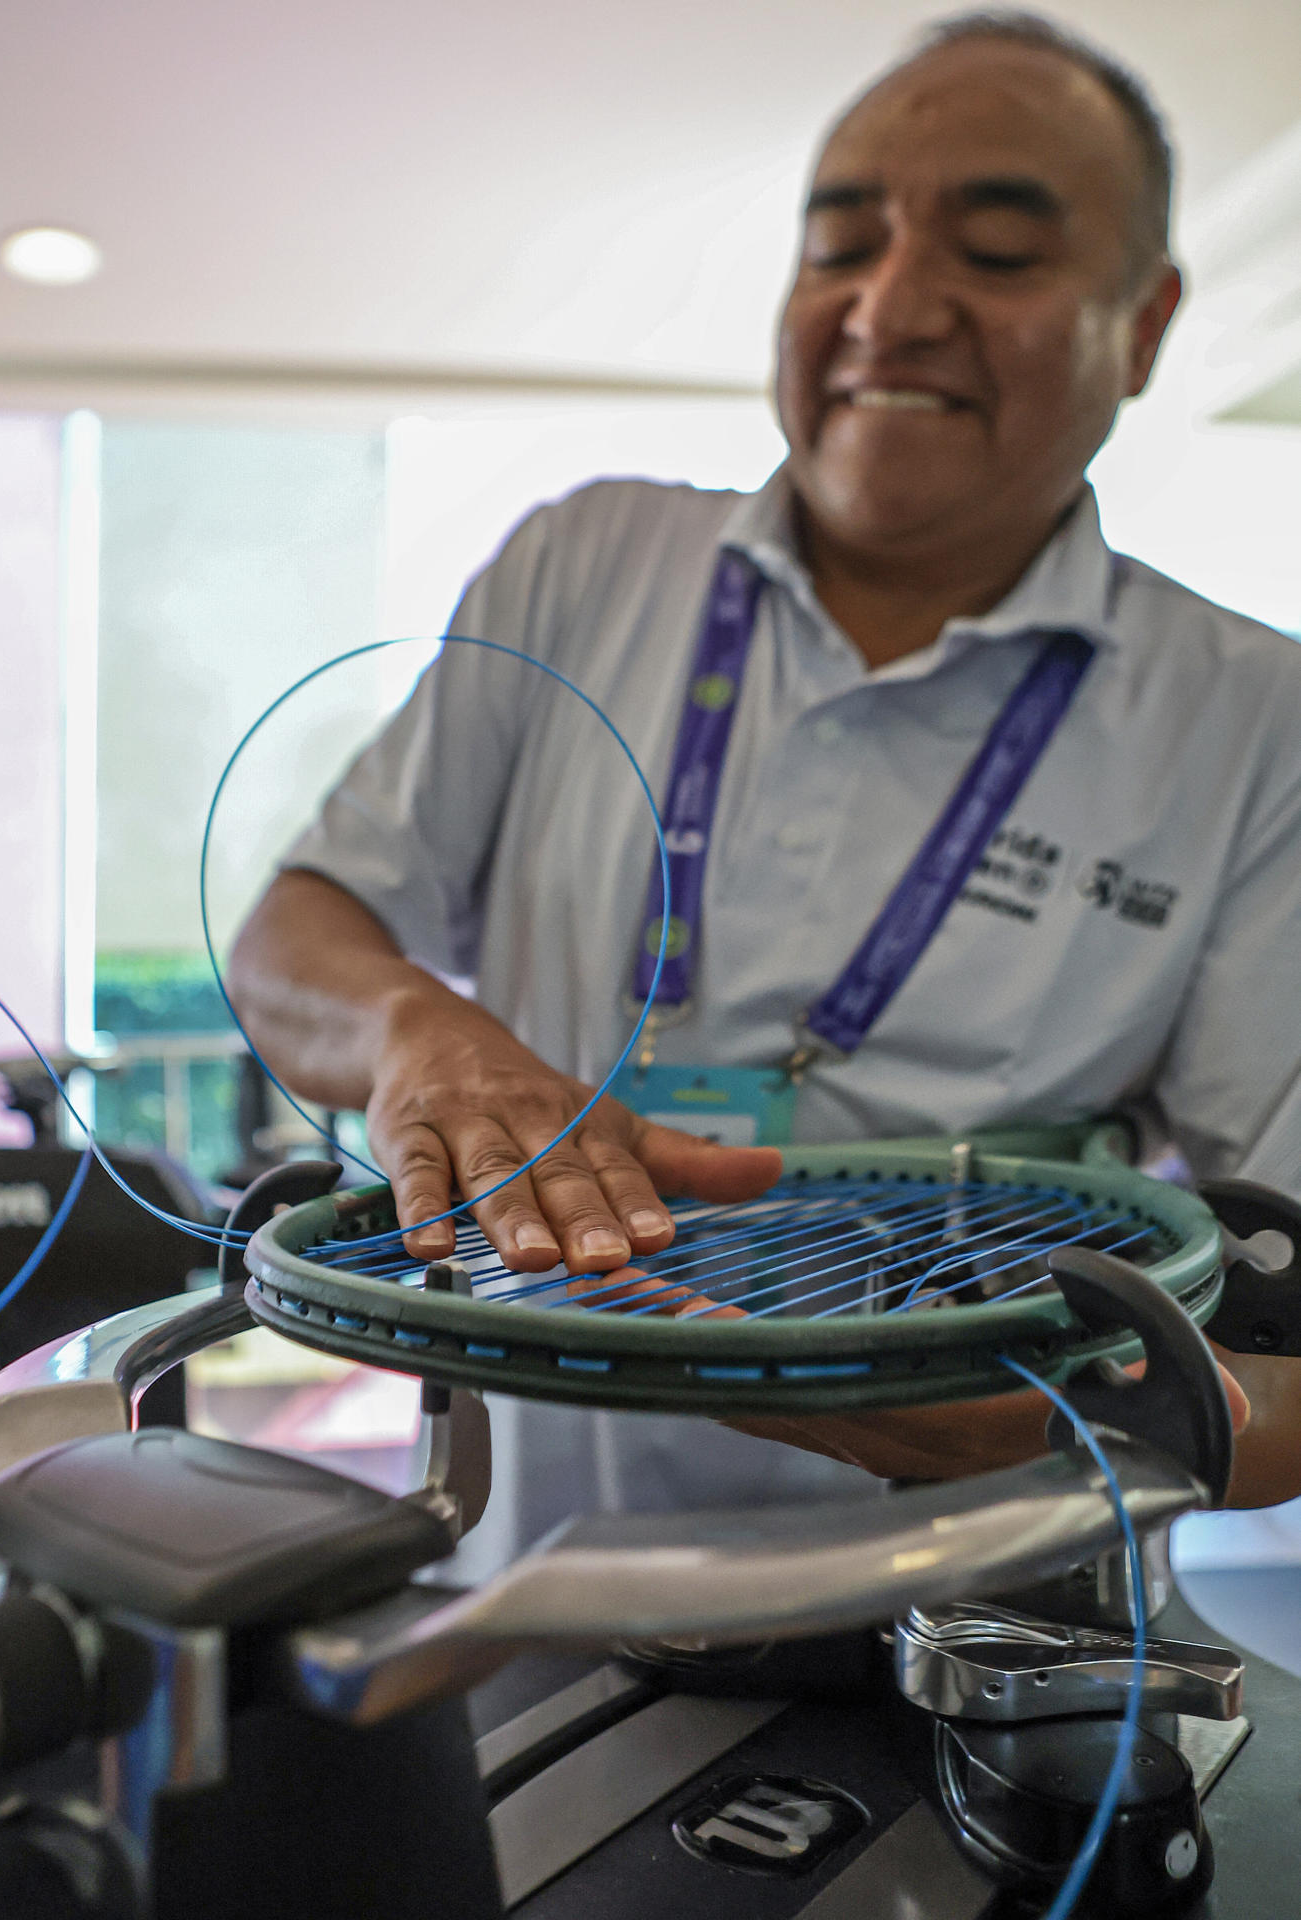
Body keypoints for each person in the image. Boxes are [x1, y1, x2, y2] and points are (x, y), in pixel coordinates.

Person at [230, 11, 1301, 1536]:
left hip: (1001, 1659)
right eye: (838, 244)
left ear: (1142, 323)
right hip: (526, 1593)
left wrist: (1043, 1418)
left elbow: (1290, 1360)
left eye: (995, 253)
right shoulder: (581, 562)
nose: (893, 304)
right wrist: (420, 1034)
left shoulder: (1255, 716)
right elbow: (290, 940)